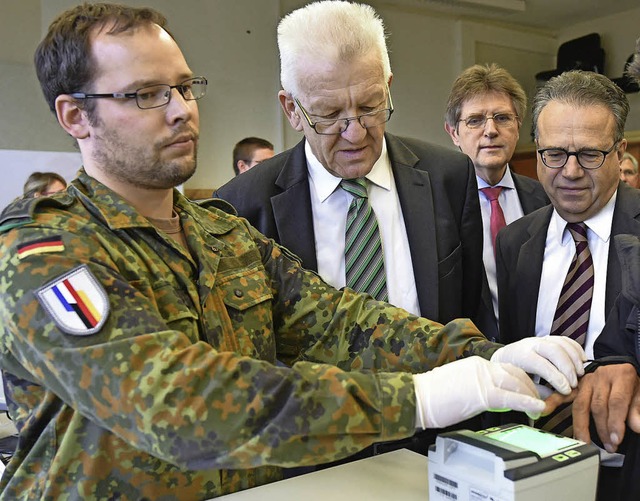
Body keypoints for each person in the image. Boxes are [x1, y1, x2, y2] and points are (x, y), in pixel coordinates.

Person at [0, 3, 585, 500]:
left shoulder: (220, 234)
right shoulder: (40, 251)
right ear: (76, 115)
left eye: (182, 86)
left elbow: (345, 323)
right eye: (145, 95)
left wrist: (490, 355)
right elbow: (181, 403)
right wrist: (419, 398)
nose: (181, 109)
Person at [215, 1, 484, 332]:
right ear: (292, 110)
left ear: (387, 87)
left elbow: (472, 312)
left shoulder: (449, 177)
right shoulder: (242, 206)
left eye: (371, 106)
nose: (355, 133)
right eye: (329, 114)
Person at [495, 69, 640, 501]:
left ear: (620, 151)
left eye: (590, 155)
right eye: (555, 153)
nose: (571, 172)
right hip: (534, 469)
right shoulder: (514, 241)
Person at [444, 63, 549, 340]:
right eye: (475, 120)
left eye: (502, 118)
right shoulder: (437, 207)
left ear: (518, 127)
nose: (490, 130)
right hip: (470, 361)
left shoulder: (547, 201)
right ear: (454, 133)